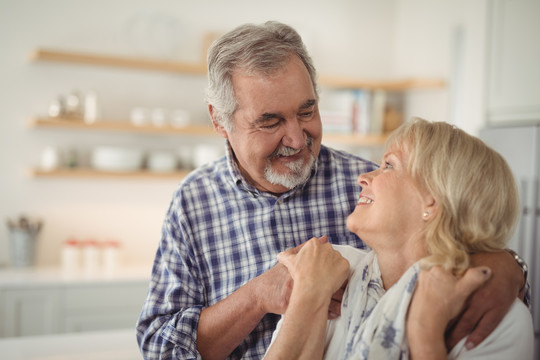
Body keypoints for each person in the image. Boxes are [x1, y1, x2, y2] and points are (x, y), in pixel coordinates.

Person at [135, 21, 527, 359]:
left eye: (307, 111)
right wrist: (257, 297)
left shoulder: (365, 187)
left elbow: (449, 233)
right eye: (270, 122)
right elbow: (160, 347)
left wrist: (509, 267)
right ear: (220, 121)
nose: (297, 137)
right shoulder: (193, 201)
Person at [264, 118, 534, 359]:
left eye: (389, 165)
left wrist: (423, 330)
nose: (363, 177)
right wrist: (308, 292)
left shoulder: (494, 319)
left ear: (432, 200)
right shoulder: (328, 271)